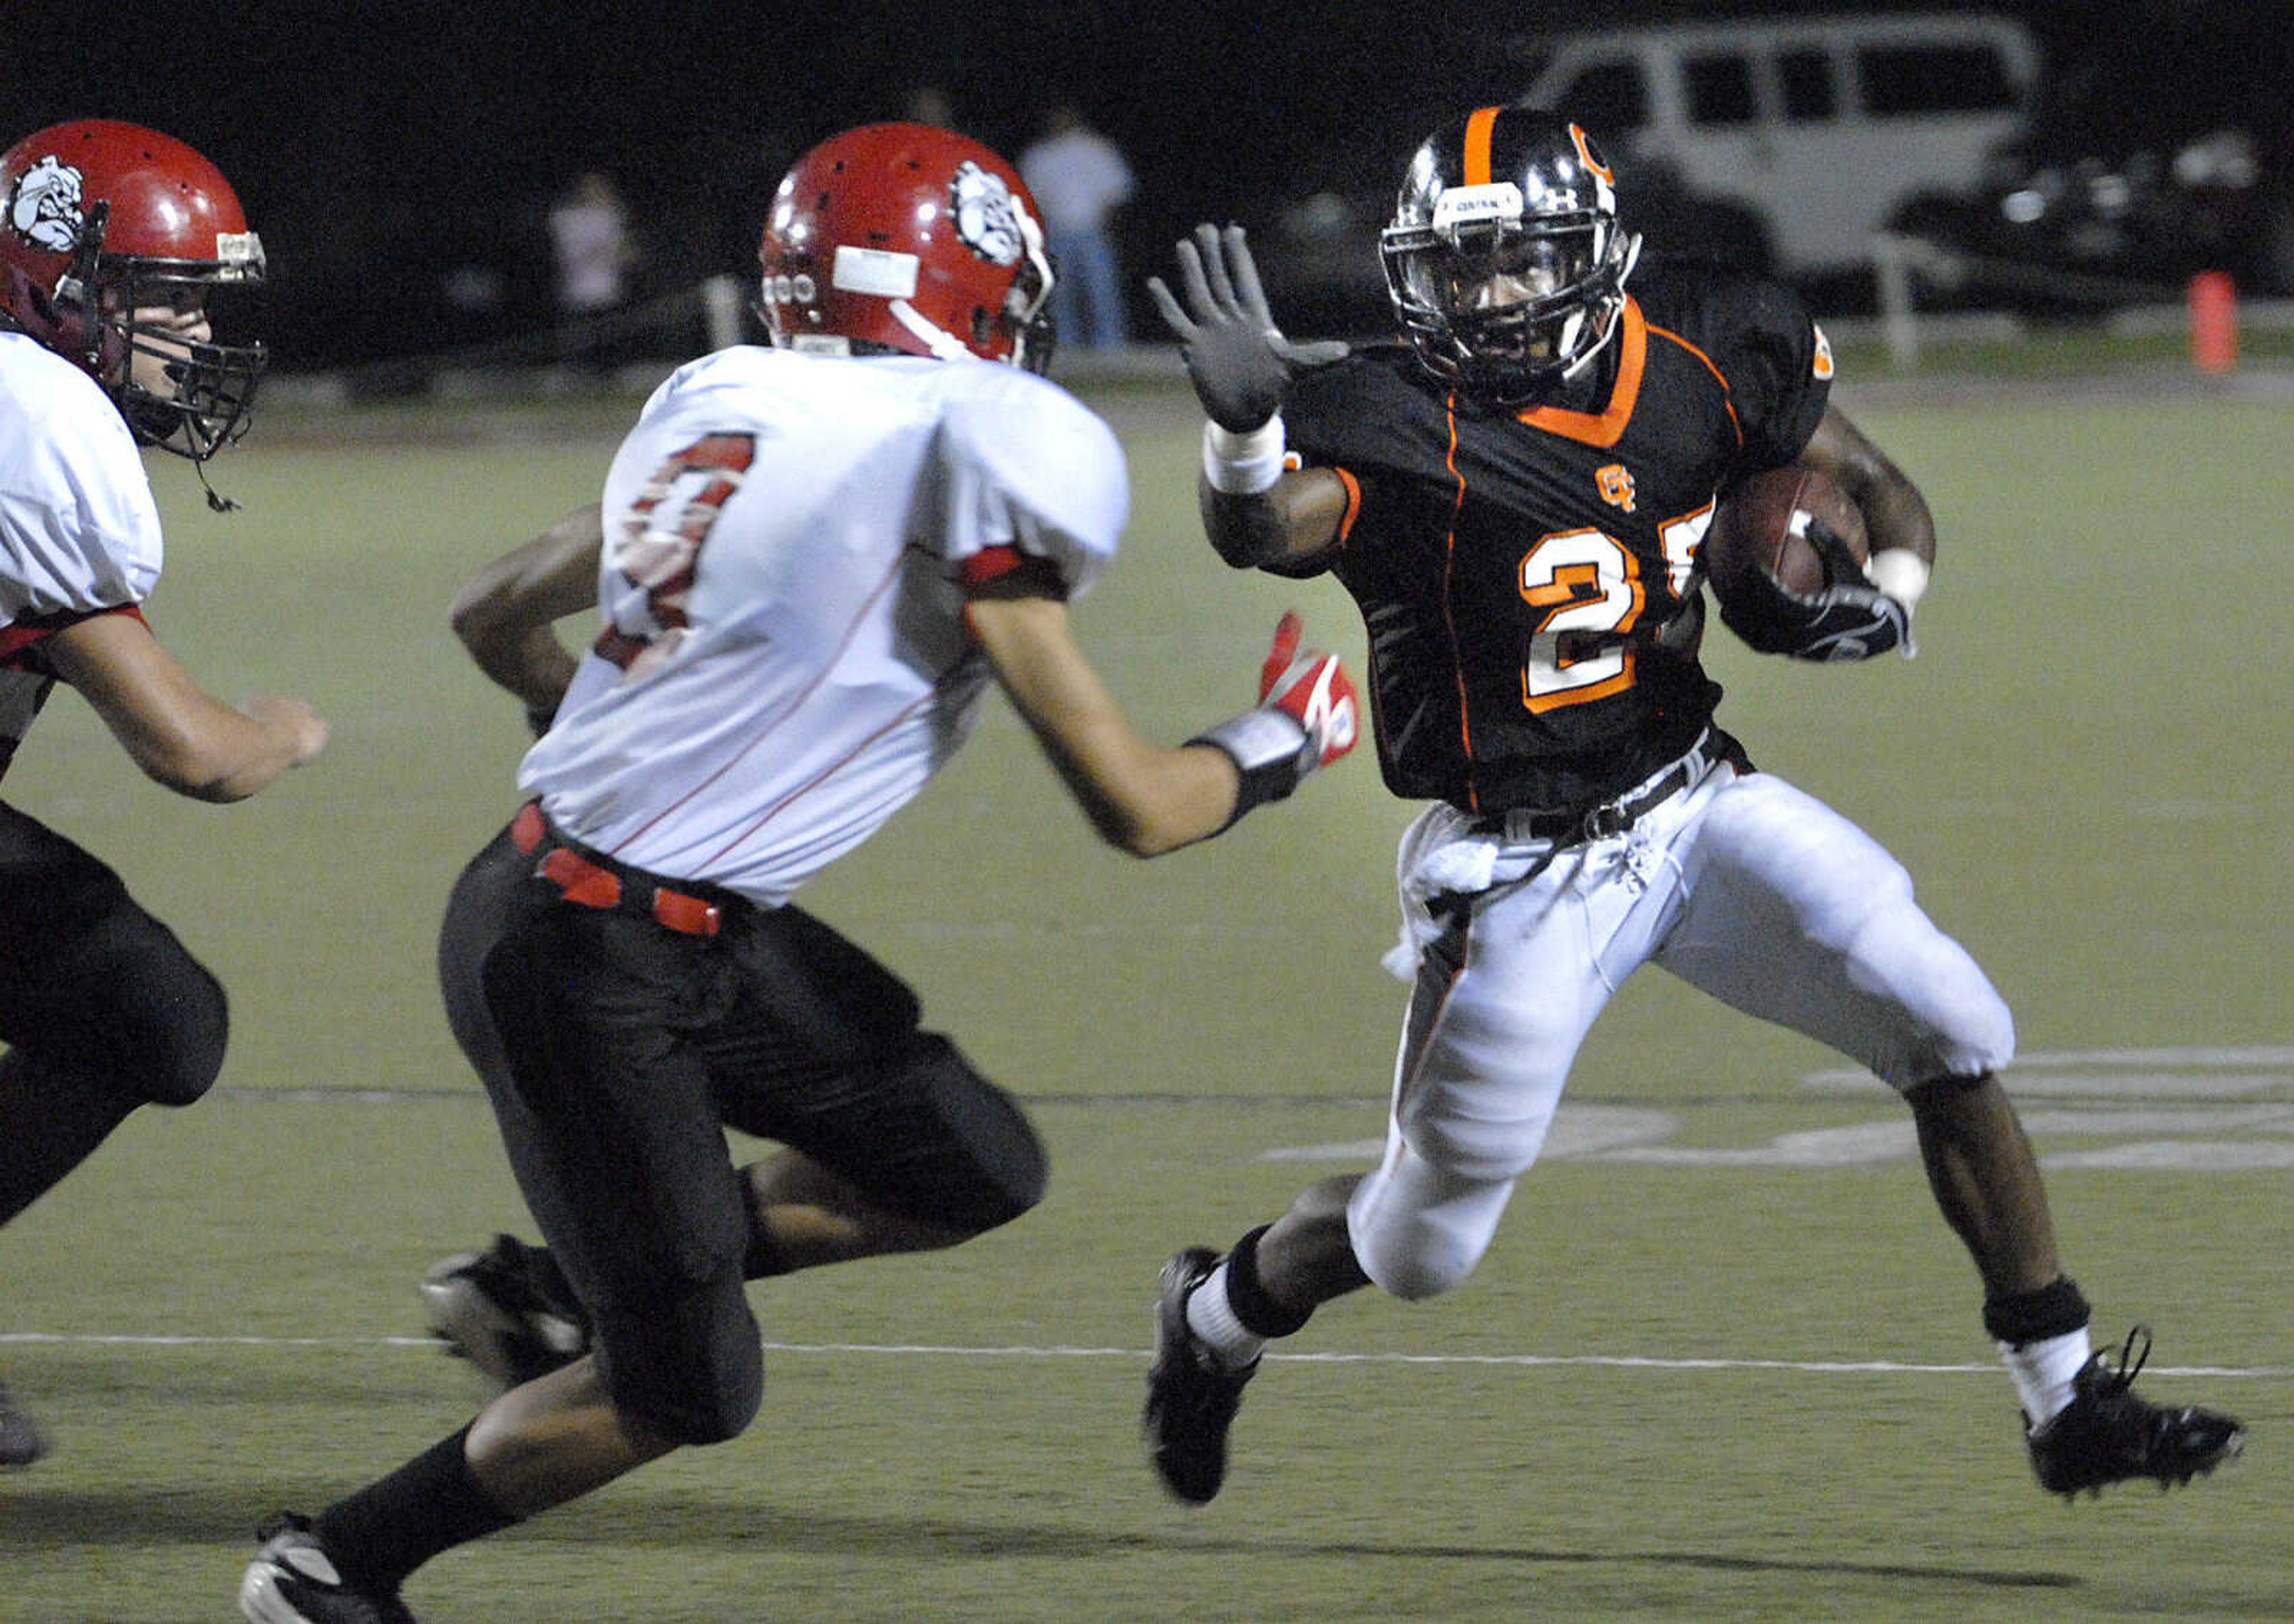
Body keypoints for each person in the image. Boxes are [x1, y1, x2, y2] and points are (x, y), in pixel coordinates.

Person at [237, 121, 1357, 1624]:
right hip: (584, 959)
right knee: (684, 1390)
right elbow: (1141, 808)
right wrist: (1279, 739)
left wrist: (620, 737)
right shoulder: (976, 443)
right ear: (973, 287)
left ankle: (560, 1288)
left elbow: (488, 610)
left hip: (642, 914)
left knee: (968, 1158)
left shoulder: (723, 402)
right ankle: (332, 1567)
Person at [1136, 105, 2245, 1509]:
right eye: (1453, 268)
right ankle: (1215, 1315)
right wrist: (1238, 433)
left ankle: (2063, 1395)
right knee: (1421, 1244)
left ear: (1593, 252)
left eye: (1511, 261)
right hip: (1512, 869)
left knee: (1947, 1020)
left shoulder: (1710, 343)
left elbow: (1878, 491)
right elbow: (1260, 527)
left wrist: (1874, 606)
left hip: (1688, 802)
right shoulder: (1396, 413)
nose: (1479, 297)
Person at [0, 119, 329, 1467]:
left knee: (149, 1010)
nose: (196, 336)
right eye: (168, 299)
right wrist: (281, 732)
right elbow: (189, 751)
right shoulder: (31, 413)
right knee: (148, 1008)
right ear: (54, 284)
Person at [1018, 103, 1137, 352]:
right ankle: (1067, 349)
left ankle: (1111, 347)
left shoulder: (1097, 148)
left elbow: (1117, 192)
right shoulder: (1040, 154)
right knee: (1060, 296)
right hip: (1056, 232)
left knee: (1102, 293)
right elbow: (1030, 198)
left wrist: (1109, 226)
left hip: (1093, 231)